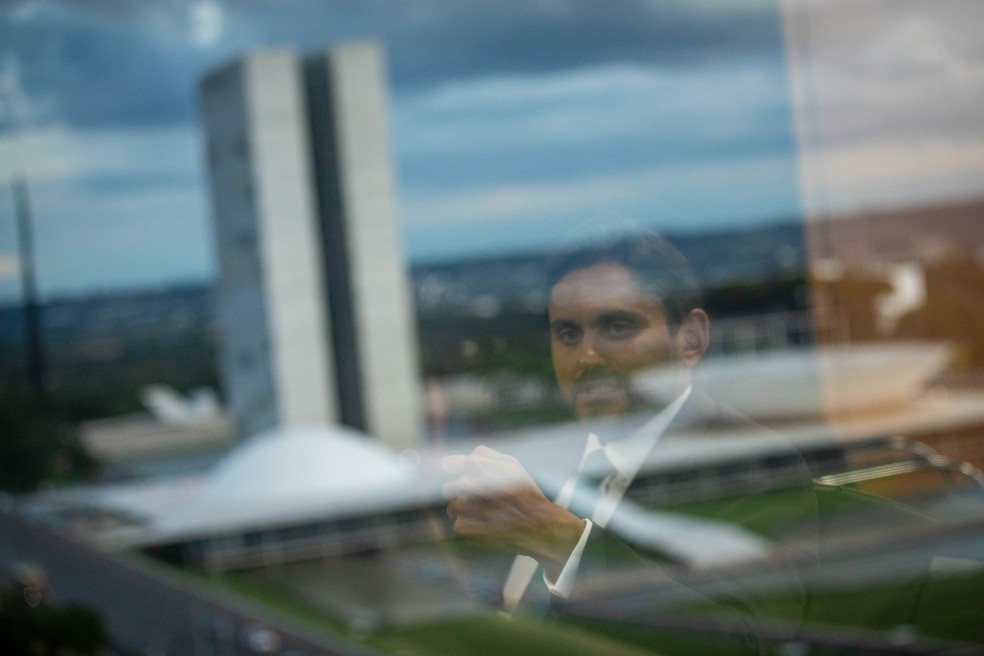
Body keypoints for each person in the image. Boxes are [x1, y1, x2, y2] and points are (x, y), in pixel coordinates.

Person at [442, 224, 818, 652]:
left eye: (618, 327)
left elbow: (755, 635)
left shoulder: (756, 464)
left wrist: (563, 543)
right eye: (567, 333)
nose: (586, 355)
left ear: (691, 338)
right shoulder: (571, 463)